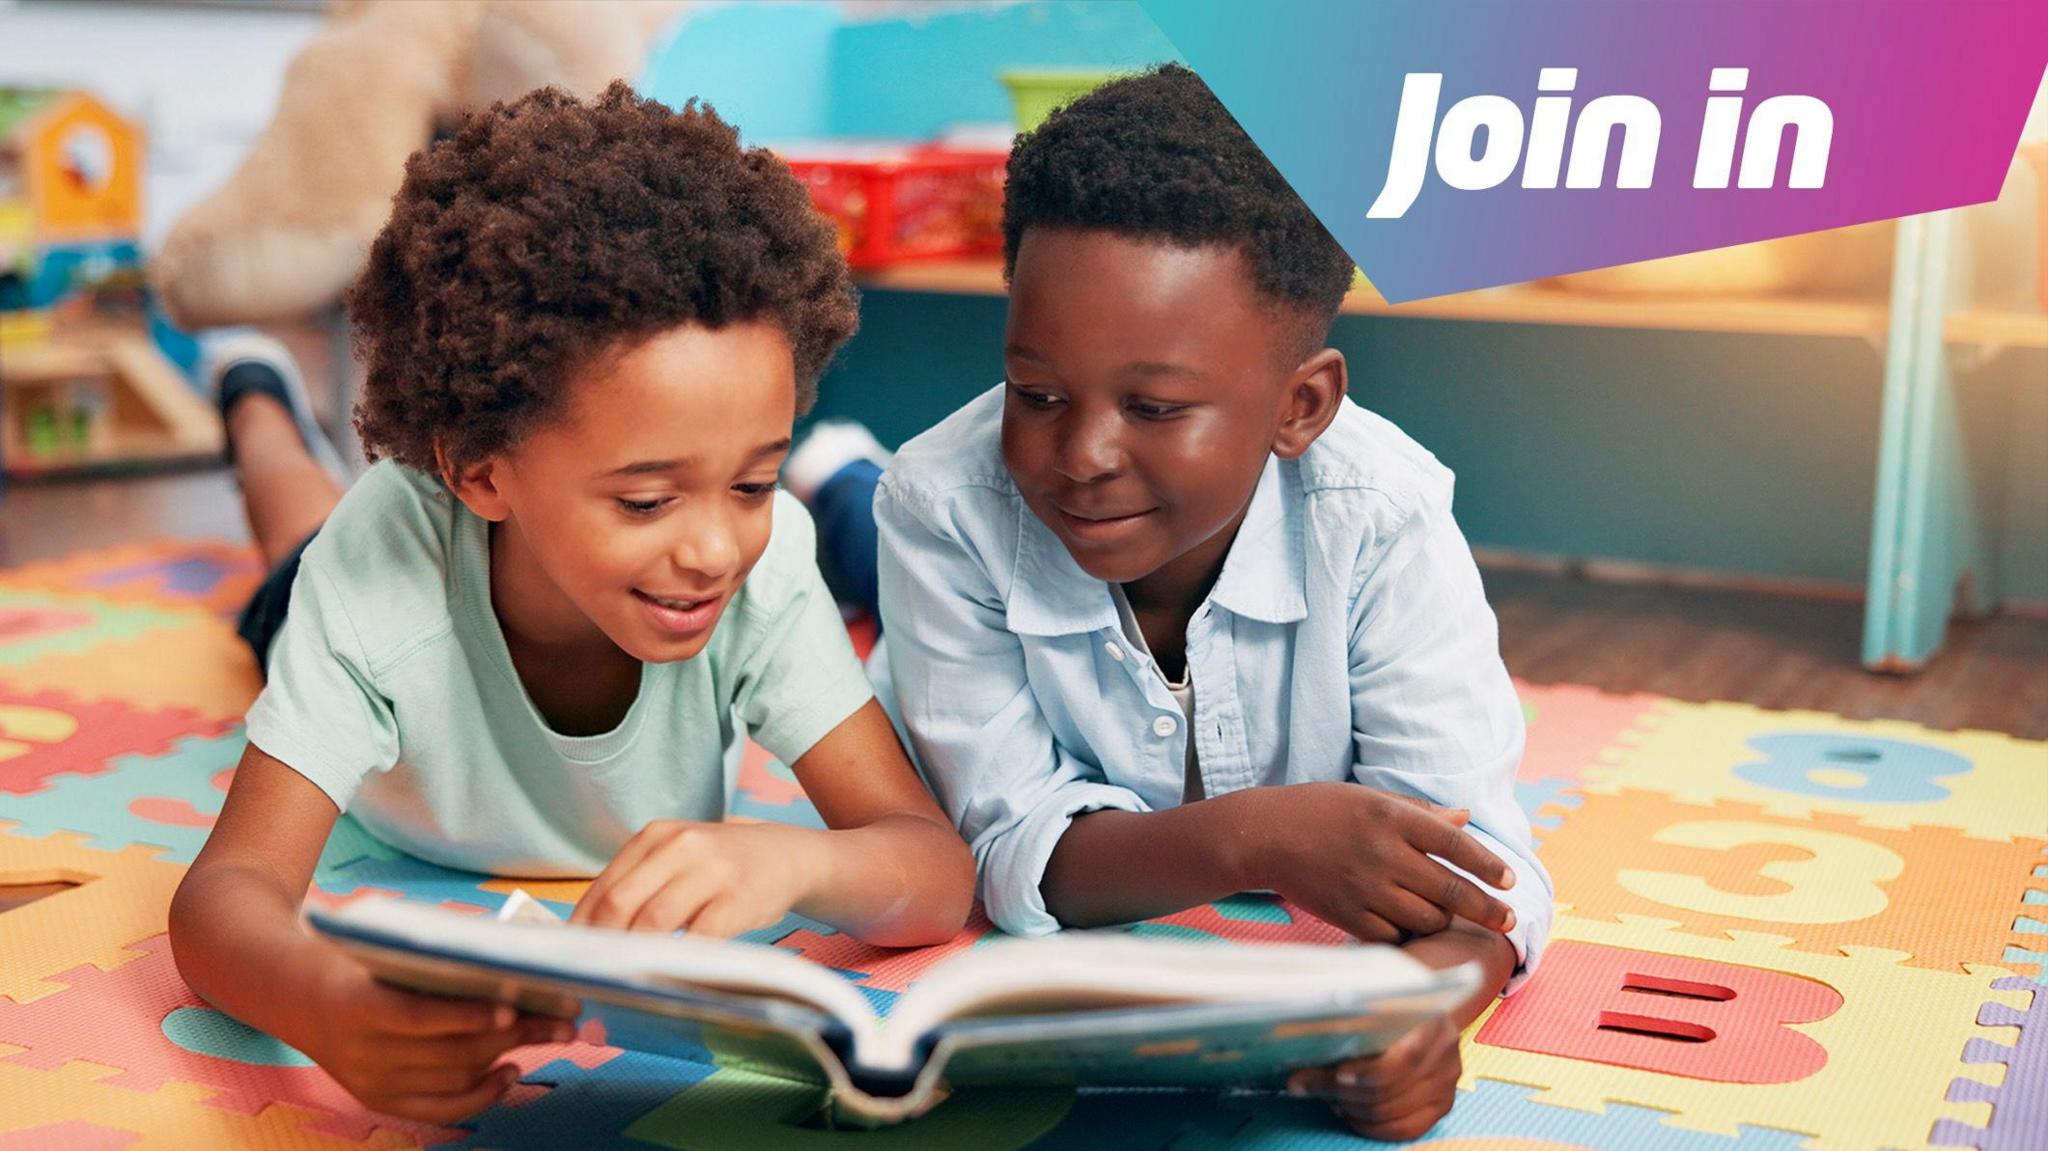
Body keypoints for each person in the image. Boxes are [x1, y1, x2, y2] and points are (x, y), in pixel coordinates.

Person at [169, 83, 973, 1125]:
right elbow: (220, 900)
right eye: (645, 498)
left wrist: (800, 858)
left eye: (754, 479)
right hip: (361, 583)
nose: (713, 546)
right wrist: (326, 1002)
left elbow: (934, 869)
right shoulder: (381, 576)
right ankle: (258, 397)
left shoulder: (760, 571)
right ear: (480, 473)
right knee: (296, 537)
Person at [789, 64, 1552, 1142]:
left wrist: (1420, 1013)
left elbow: (1489, 870)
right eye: (1036, 391)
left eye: (1152, 406)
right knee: (881, 524)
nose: (1084, 452)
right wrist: (1252, 838)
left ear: (1300, 406)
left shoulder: (1384, 515)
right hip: (923, 555)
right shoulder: (949, 502)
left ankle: (835, 475)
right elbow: (1007, 850)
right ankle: (837, 481)